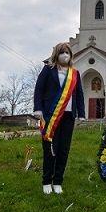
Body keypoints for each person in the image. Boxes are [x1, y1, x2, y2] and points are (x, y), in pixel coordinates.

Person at [33, 42, 85, 195]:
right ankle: (46, 181)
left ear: (71, 55)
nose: (65, 55)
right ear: (57, 54)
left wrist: (81, 113)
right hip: (51, 115)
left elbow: (79, 94)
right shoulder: (48, 70)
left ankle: (57, 181)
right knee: (50, 148)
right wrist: (38, 108)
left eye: (67, 52)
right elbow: (39, 89)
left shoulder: (74, 73)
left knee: (63, 149)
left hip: (68, 116)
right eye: (62, 52)